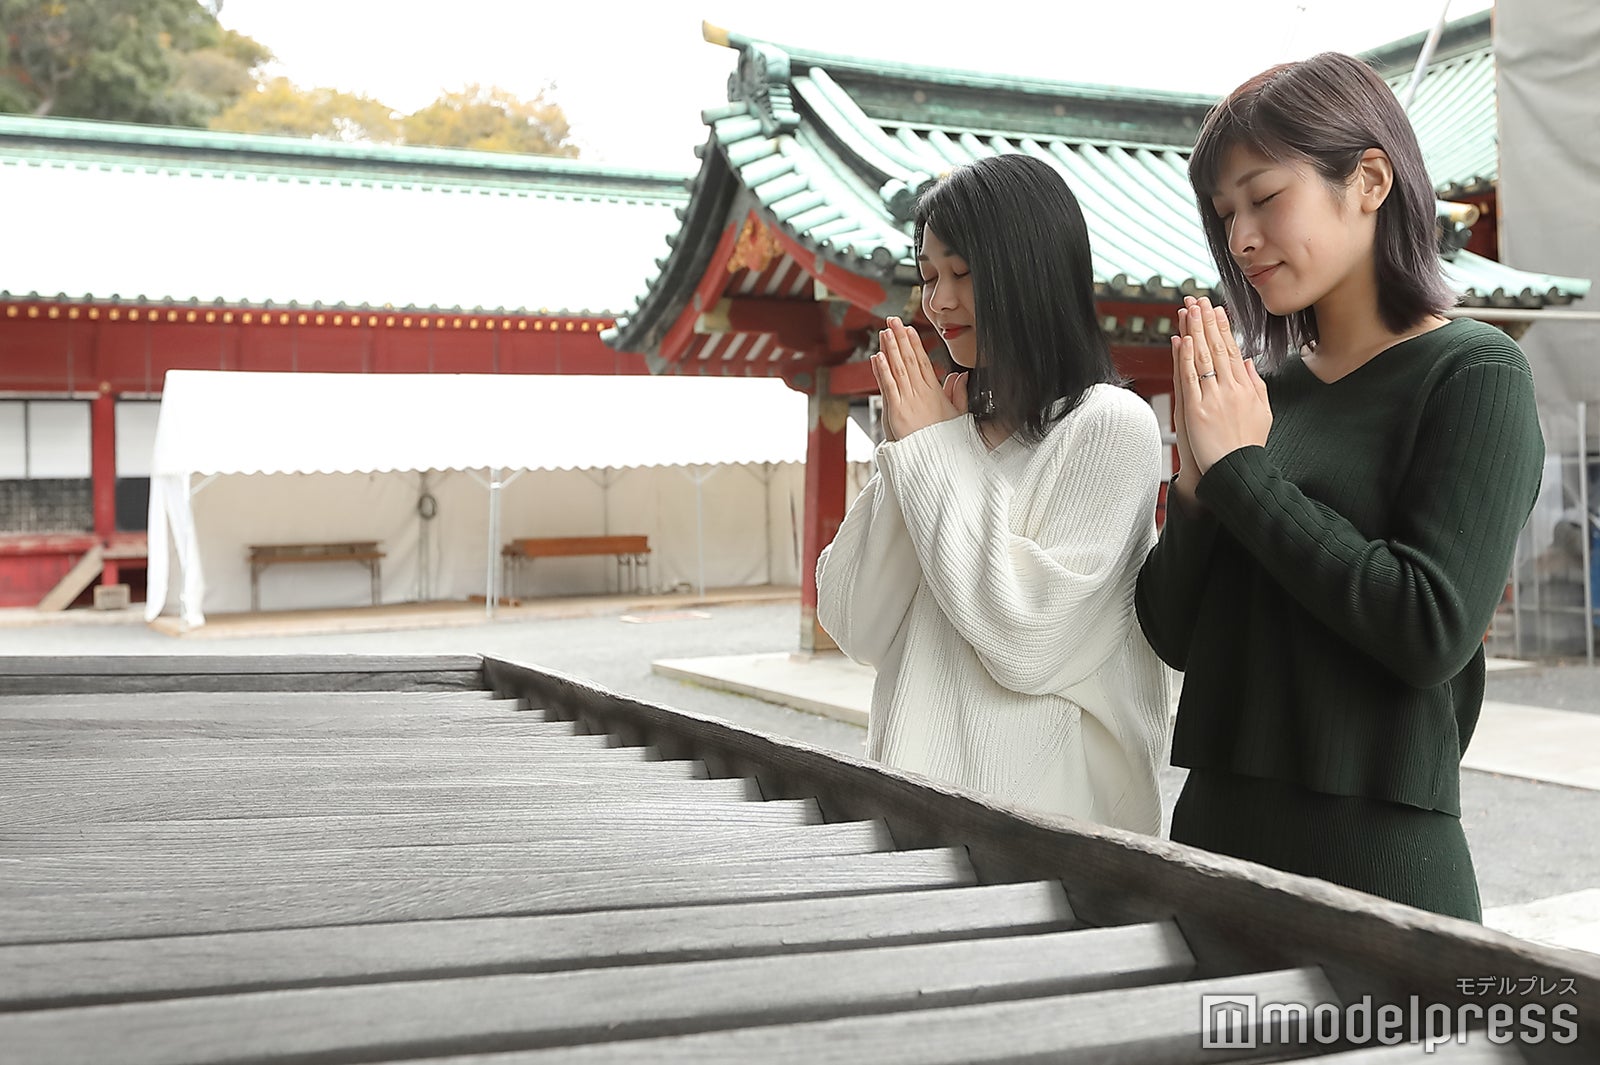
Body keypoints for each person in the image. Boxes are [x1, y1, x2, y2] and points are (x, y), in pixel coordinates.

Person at [1135, 53, 1545, 919]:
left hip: (1380, 862)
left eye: (1264, 196)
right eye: (1225, 215)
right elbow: (1175, 633)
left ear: (1367, 178)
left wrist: (1245, 473)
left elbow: (1429, 626)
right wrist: (1200, 488)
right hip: (1212, 844)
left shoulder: (1474, 373)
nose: (1240, 238)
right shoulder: (1260, 396)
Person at [815, 153, 1172, 833]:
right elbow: (855, 622)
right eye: (927, 277)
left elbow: (1026, 637)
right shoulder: (947, 431)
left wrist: (932, 453)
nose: (937, 302)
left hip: (1049, 834)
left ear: (1027, 271)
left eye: (961, 273)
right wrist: (914, 450)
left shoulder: (1108, 424)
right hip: (914, 814)